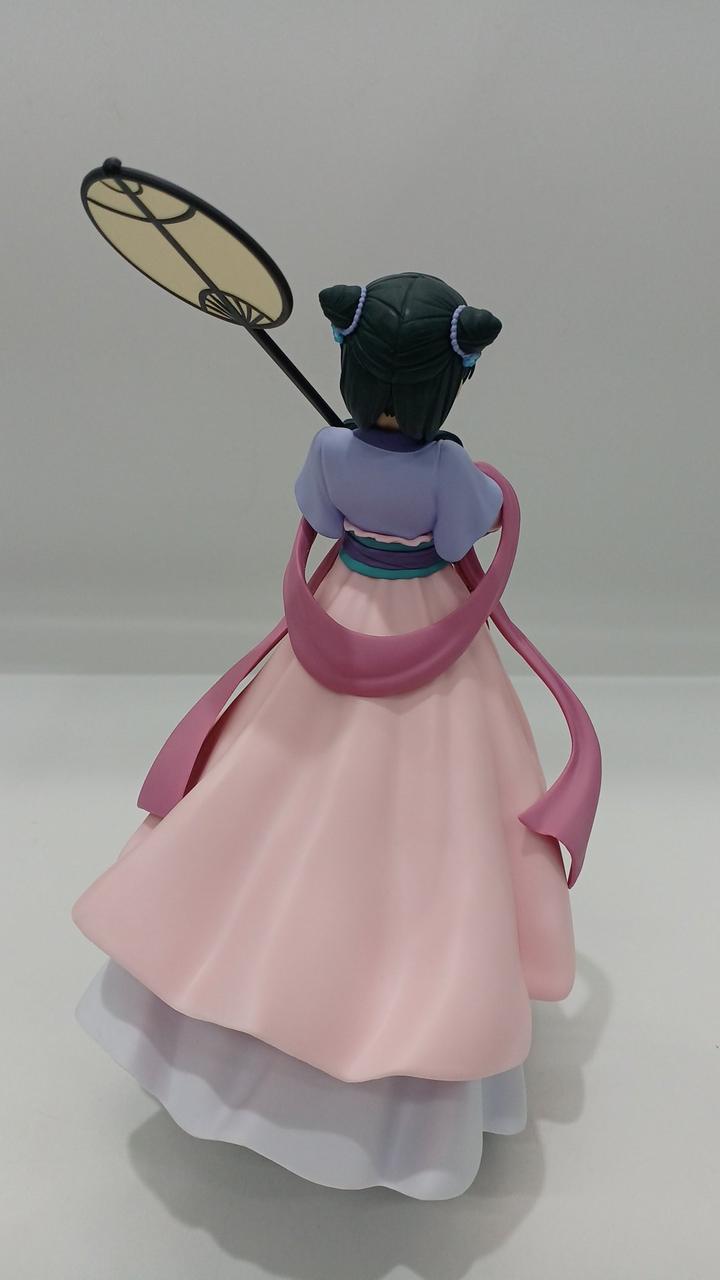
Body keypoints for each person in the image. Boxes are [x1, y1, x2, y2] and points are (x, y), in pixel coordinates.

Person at [72, 272, 599, 1200]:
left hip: (340, 614)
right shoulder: (448, 472)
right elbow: (459, 536)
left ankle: (248, 979)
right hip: (425, 627)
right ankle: (401, 1029)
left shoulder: (327, 446)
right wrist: (476, 484)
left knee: (267, 788)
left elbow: (318, 519)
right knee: (436, 816)